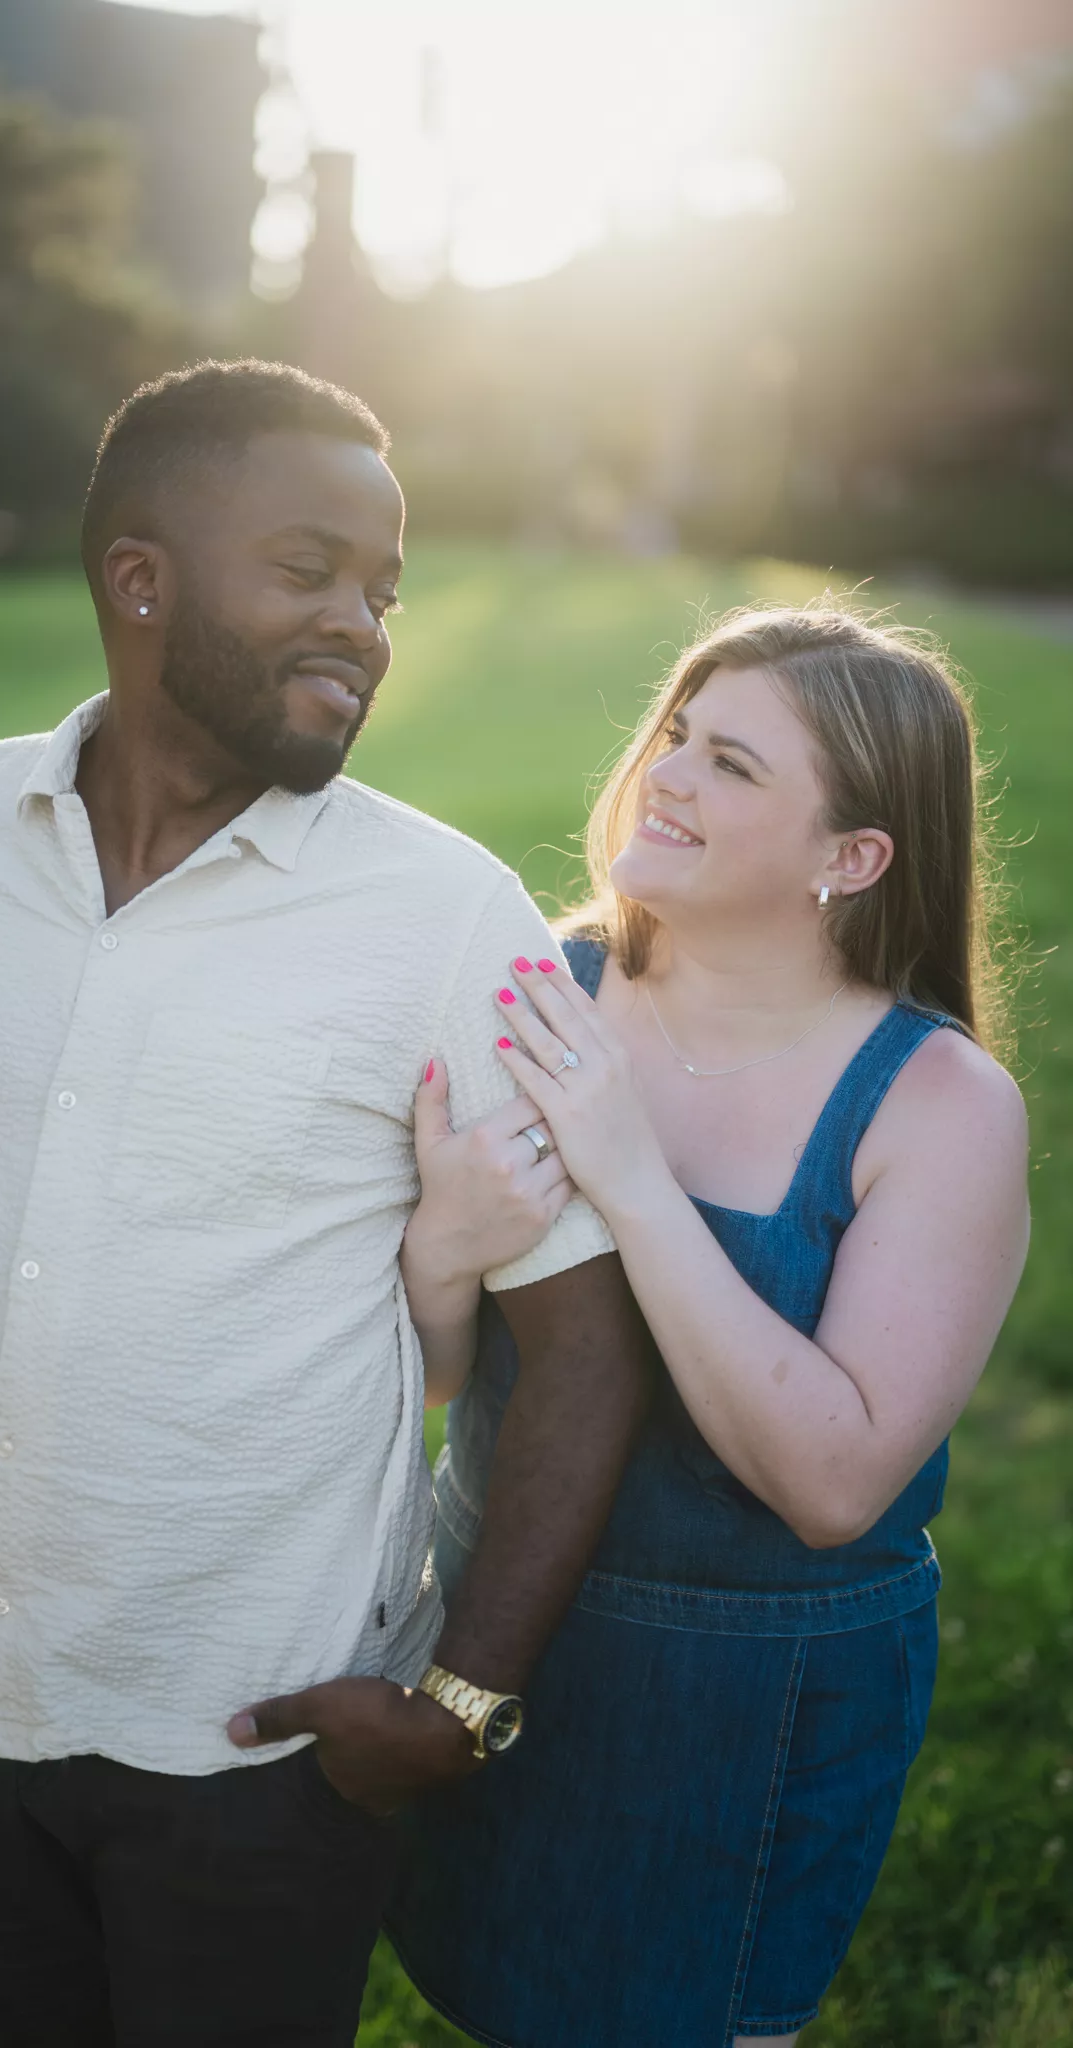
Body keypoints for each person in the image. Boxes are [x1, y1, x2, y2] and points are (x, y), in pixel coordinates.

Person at [0, 358, 651, 2048]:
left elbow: (590, 1349)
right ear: (139, 578)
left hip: (260, 1756)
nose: (364, 626)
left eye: (385, 592)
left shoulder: (441, 912)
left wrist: (461, 1703)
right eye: (308, 570)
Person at [388, 606, 1030, 2048]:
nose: (665, 774)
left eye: (734, 766)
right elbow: (434, 1379)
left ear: (850, 859)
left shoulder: (935, 1105)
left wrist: (627, 1176)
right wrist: (446, 1247)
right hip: (493, 1616)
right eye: (677, 733)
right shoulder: (540, 990)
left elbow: (833, 1483)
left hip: (753, 1692)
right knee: (480, 2000)